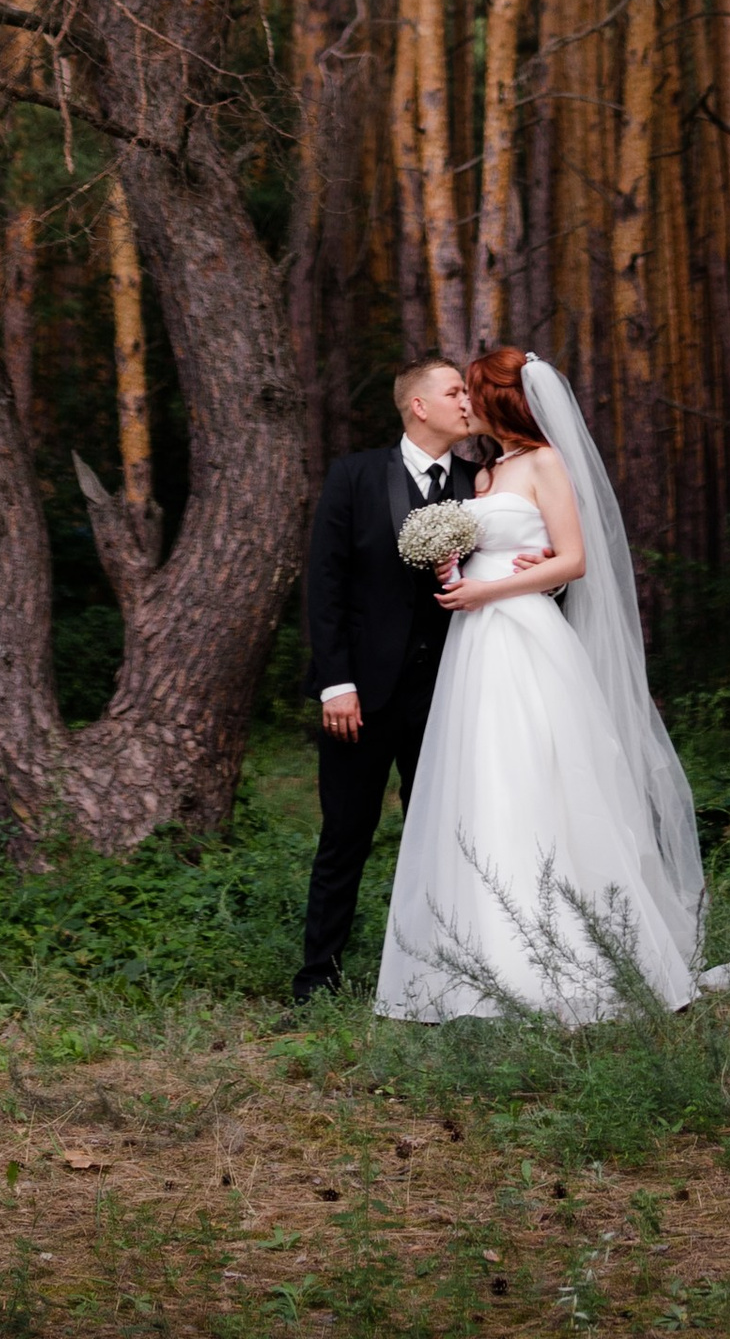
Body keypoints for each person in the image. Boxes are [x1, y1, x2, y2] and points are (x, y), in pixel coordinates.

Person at [374, 343, 730, 1024]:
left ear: (500, 399)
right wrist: (463, 571)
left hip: (522, 636)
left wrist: (512, 579)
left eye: (473, 392)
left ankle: (572, 960)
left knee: (543, 778)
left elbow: (578, 559)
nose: (466, 402)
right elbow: (526, 554)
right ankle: (480, 959)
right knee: (481, 783)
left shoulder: (546, 462)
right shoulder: (487, 472)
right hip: (477, 643)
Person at [293, 355, 480, 1004]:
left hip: (452, 695)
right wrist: (335, 682)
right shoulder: (354, 475)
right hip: (362, 698)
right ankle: (318, 978)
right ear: (418, 405)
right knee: (345, 837)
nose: (468, 399)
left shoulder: (480, 481)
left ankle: (443, 977)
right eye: (455, 390)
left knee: (450, 837)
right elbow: (327, 583)